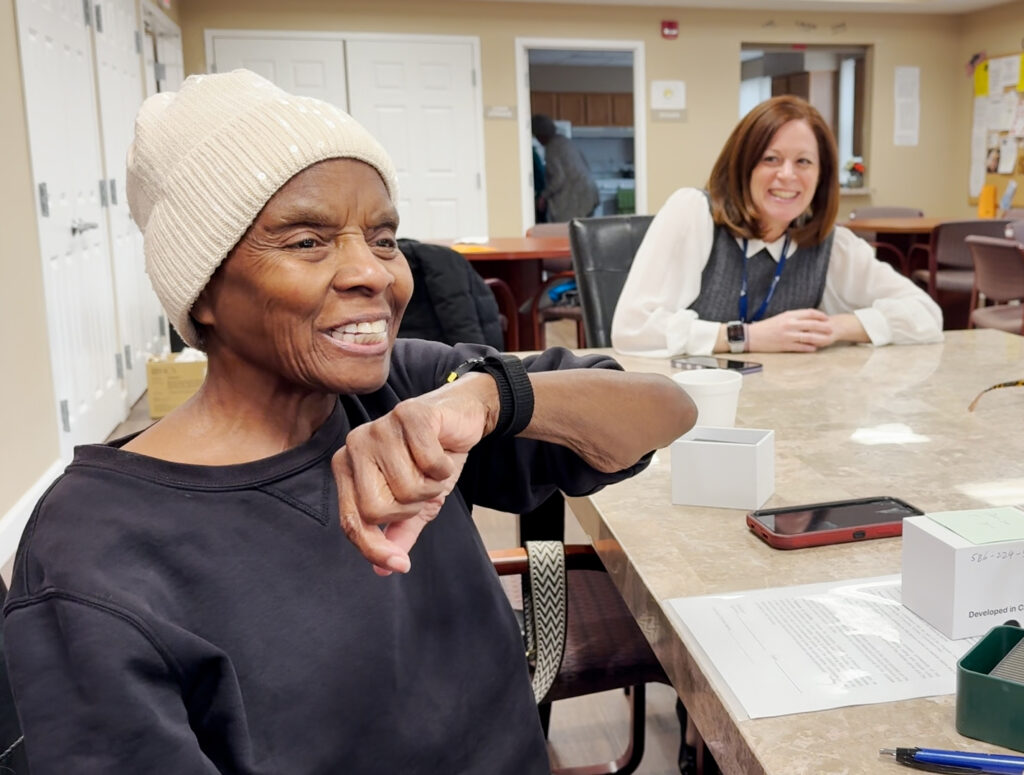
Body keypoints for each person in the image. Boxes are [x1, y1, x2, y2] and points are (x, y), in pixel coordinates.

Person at [2, 70, 696, 774]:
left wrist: (486, 399)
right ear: (202, 287)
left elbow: (664, 409)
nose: (375, 274)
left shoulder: (409, 390)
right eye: (308, 240)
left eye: (384, 237)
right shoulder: (93, 554)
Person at [611, 95, 944, 357]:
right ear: (743, 165)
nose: (787, 175)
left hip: (789, 410)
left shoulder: (833, 245)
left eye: (803, 161)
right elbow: (632, 328)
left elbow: (927, 317)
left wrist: (839, 327)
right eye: (771, 158)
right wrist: (747, 337)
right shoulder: (694, 213)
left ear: (821, 176)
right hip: (694, 409)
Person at [531, 113, 599, 223]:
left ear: (540, 134)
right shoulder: (564, 141)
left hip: (576, 198)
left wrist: (543, 196)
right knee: (581, 231)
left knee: (566, 232)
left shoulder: (552, 147)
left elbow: (558, 178)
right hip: (589, 194)